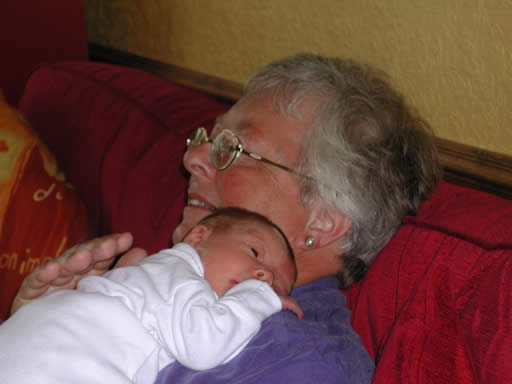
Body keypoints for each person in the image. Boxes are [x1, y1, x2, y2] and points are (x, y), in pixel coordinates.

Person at [10, 54, 441, 383]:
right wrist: (45, 330)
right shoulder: (170, 277)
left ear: (323, 221)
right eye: (206, 139)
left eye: (233, 148)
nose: (192, 157)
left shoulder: (306, 364)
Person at [0, 208, 303, 384]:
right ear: (199, 237)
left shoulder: (152, 280)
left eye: (274, 286)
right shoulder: (179, 272)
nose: (263, 277)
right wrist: (258, 298)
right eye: (255, 252)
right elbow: (204, 344)